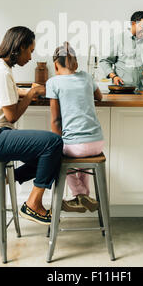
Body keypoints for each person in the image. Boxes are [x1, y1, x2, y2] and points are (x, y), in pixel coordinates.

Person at [0, 26, 63, 225]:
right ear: (19, 47)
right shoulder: (1, 71)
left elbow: (8, 90)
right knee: (53, 143)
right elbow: (11, 116)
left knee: (51, 155)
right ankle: (33, 204)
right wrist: (30, 94)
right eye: (30, 50)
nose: (30, 57)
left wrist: (27, 90)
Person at [46, 42, 104, 213]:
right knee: (83, 161)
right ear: (76, 63)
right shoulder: (86, 77)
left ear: (55, 64)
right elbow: (99, 97)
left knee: (63, 158)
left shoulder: (53, 83)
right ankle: (84, 195)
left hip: (75, 147)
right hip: (97, 143)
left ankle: (78, 194)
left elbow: (56, 120)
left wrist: (56, 145)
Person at [99, 11, 143, 89]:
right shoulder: (118, 40)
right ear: (133, 23)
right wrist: (114, 77)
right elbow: (105, 61)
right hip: (122, 89)